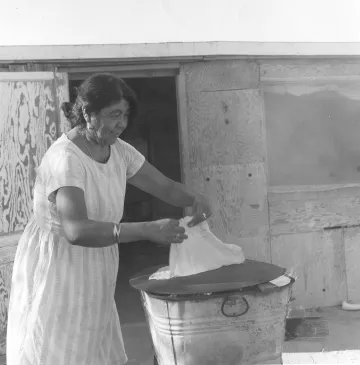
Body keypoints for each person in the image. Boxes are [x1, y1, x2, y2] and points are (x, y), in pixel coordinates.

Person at [6, 73, 213, 365]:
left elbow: (163, 186)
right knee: (61, 345)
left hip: (99, 258)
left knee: (91, 340)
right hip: (61, 263)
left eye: (125, 115)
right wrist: (147, 229)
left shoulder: (116, 149)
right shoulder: (66, 159)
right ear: (88, 113)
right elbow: (76, 230)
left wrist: (194, 199)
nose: (121, 123)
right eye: (114, 114)